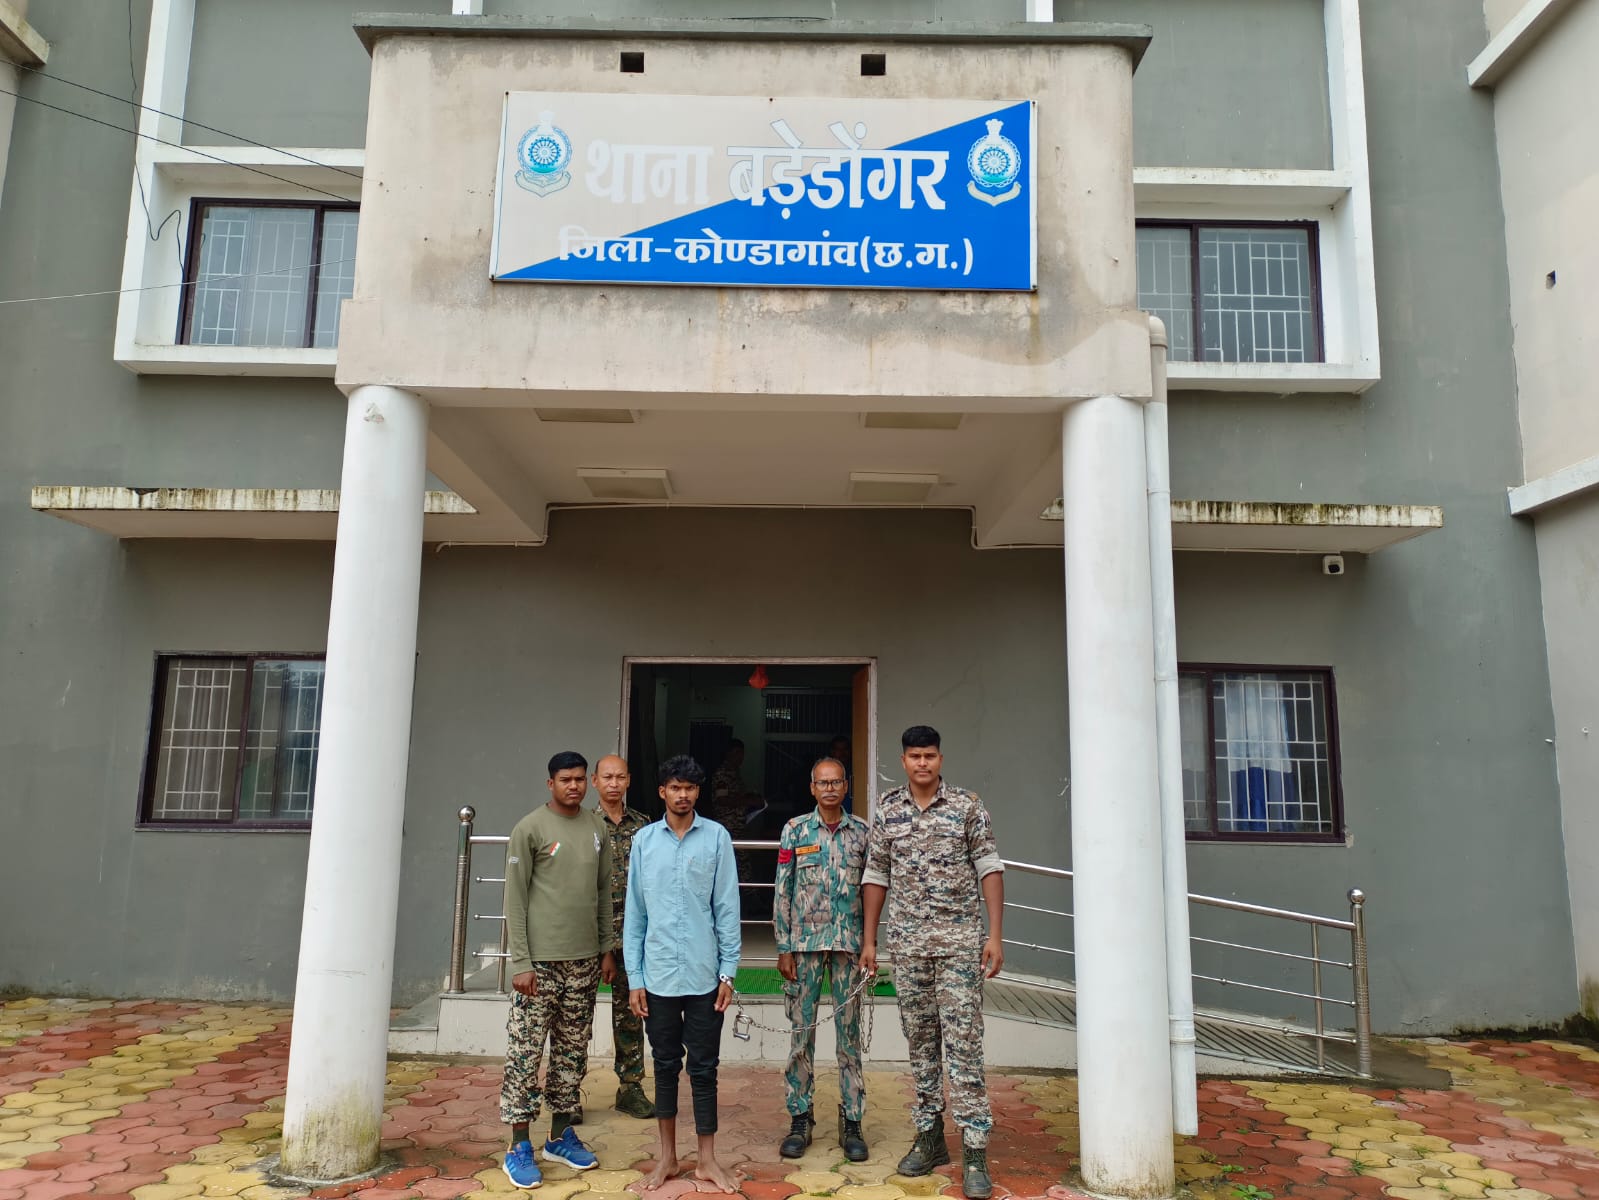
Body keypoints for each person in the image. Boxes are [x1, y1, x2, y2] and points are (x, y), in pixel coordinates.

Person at [860, 727, 1005, 1200]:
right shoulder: (888, 809)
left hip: (960, 946)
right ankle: (929, 1135)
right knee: (921, 1043)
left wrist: (994, 936)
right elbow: (876, 873)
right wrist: (869, 940)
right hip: (909, 947)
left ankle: (976, 1149)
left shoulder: (966, 806)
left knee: (964, 1045)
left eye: (929, 755)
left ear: (940, 759)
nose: (922, 763)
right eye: (914, 756)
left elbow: (989, 867)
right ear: (903, 761)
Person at [624, 755, 743, 1194]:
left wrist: (728, 973)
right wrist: (635, 978)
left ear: (698, 792)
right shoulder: (643, 841)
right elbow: (635, 914)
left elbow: (727, 908)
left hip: (704, 975)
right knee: (664, 1065)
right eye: (675, 787)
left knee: (705, 1068)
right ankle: (668, 1158)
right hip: (656, 976)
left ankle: (707, 1159)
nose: (683, 795)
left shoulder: (716, 837)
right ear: (662, 792)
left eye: (690, 788)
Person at [500, 751, 617, 1189]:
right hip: (540, 965)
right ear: (550, 783)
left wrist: (606, 949)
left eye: (580, 779)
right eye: (566, 779)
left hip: (584, 962)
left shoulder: (596, 828)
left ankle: (558, 1136)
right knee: (526, 1054)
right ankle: (519, 1145)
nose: (575, 786)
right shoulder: (529, 828)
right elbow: (515, 898)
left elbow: (603, 893)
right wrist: (521, 962)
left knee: (571, 1052)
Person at [773, 757, 870, 1162]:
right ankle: (800, 1117)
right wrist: (783, 946)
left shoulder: (862, 832)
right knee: (801, 1036)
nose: (830, 789)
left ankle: (852, 1121)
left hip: (849, 947)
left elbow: (872, 890)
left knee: (849, 1039)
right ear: (812, 788)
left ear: (846, 786)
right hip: (805, 947)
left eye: (836, 782)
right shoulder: (795, 830)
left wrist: (870, 943)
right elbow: (783, 889)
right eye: (822, 783)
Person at [592, 754, 656, 1120]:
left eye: (620, 777)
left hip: (632, 937)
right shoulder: (584, 825)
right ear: (595, 781)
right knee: (576, 1017)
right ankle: (567, 1093)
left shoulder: (644, 826)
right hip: (590, 936)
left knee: (631, 1014)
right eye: (607, 777)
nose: (613, 783)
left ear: (628, 781)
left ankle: (630, 1087)